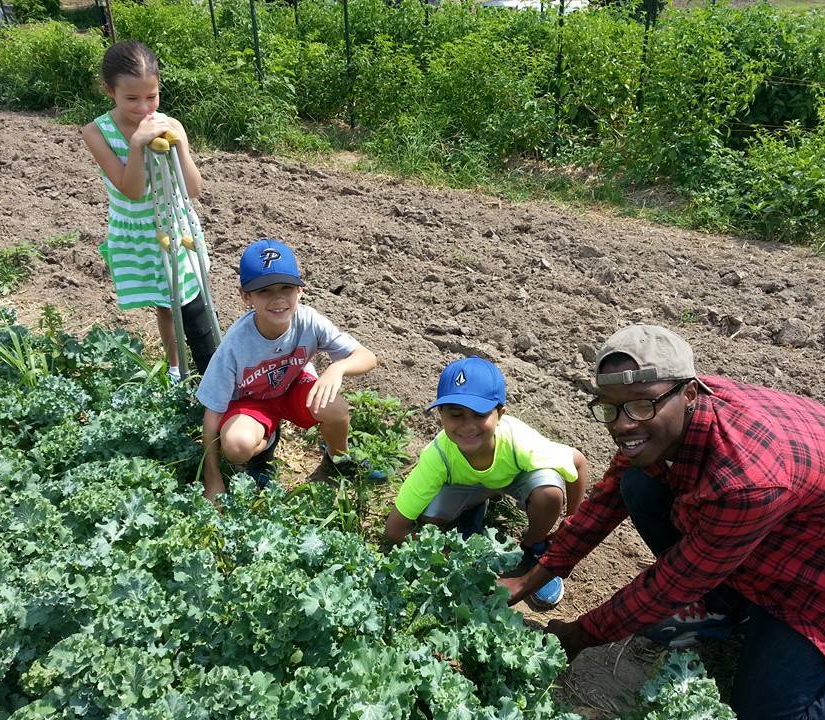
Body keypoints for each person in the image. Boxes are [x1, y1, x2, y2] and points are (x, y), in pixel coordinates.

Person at [501, 324, 825, 720]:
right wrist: (533, 577)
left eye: (641, 405)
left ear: (689, 394)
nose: (624, 423)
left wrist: (578, 635)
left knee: (769, 714)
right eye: (610, 409)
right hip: (791, 515)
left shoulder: (744, 480)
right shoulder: (671, 418)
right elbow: (607, 497)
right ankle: (726, 606)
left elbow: (675, 582)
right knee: (637, 483)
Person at [384, 356, 588, 610]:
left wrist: (570, 527)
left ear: (500, 413)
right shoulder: (438, 456)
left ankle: (533, 549)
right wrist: (454, 561)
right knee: (428, 517)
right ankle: (470, 519)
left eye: (480, 414)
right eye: (456, 415)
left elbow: (578, 462)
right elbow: (395, 529)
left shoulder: (519, 442)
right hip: (465, 486)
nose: (467, 426)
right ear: (441, 415)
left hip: (516, 477)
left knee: (549, 493)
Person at [196, 238, 381, 497]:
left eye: (286, 287)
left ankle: (337, 460)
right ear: (245, 296)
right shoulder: (235, 345)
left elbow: (367, 356)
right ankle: (265, 447)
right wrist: (212, 480)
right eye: (264, 291)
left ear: (300, 291)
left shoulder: (308, 321)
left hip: (293, 388)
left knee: (335, 407)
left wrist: (336, 369)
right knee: (236, 446)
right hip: (251, 404)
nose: (278, 299)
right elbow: (211, 414)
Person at [82, 40, 216, 378]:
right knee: (165, 303)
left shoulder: (170, 124)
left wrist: (179, 142)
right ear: (109, 90)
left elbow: (194, 189)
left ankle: (210, 361)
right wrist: (138, 144)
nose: (144, 108)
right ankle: (175, 368)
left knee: (194, 293)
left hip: (175, 222)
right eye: (132, 99)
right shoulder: (97, 132)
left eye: (151, 96)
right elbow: (132, 191)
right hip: (139, 228)